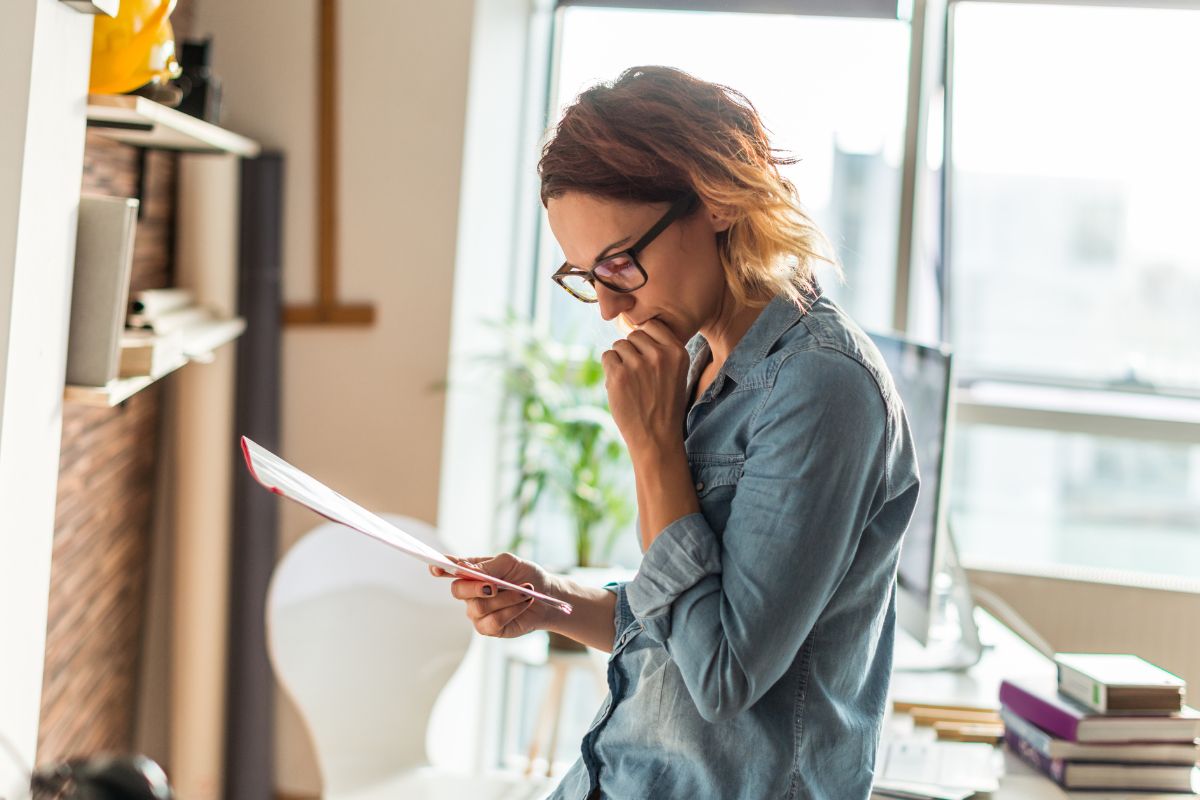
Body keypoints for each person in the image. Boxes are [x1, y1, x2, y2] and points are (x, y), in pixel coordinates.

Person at [432, 66, 920, 800]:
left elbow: (722, 674)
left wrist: (654, 445)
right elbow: (683, 622)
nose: (605, 306)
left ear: (716, 199)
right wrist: (549, 599)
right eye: (585, 276)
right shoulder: (698, 361)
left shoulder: (822, 386)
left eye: (621, 264)